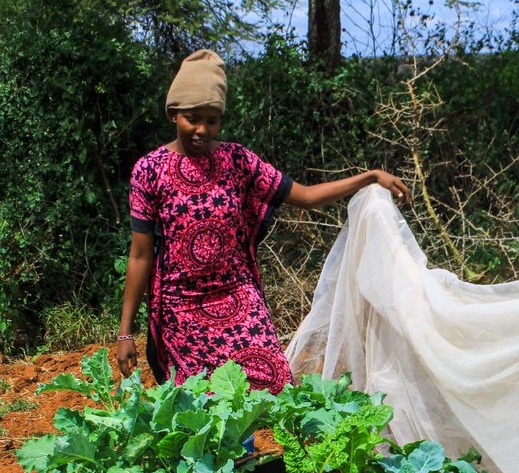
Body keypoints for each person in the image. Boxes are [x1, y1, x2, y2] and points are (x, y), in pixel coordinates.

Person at [117, 49, 410, 391]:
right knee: (200, 401)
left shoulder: (238, 161)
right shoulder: (149, 171)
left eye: (212, 120)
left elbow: (307, 196)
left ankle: (252, 447)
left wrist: (369, 177)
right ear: (173, 114)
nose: (202, 129)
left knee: (271, 382)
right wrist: (126, 331)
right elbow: (140, 255)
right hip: (181, 307)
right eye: (192, 118)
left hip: (237, 296)